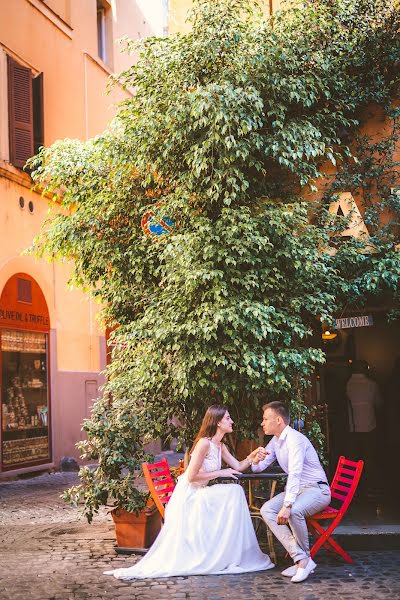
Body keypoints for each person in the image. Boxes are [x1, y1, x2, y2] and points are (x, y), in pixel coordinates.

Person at [104, 404, 274, 579]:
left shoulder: (220, 446)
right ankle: (228, 551)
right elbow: (191, 476)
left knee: (235, 492)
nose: (232, 421)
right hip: (190, 495)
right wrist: (221, 472)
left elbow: (238, 466)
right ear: (217, 422)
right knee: (234, 492)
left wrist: (251, 457)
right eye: (228, 418)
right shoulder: (204, 444)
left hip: (202, 492)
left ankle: (229, 551)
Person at [251, 401, 331, 583]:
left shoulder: (295, 440)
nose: (262, 423)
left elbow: (295, 473)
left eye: (265, 419)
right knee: (267, 509)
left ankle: (303, 562)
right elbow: (260, 468)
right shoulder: (276, 441)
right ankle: (301, 558)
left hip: (316, 490)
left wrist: (287, 505)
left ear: (278, 420)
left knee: (294, 511)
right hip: (298, 491)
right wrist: (256, 460)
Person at [346, 359, 382, 496]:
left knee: (354, 458)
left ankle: (355, 489)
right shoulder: (372, 385)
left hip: (352, 427)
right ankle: (370, 487)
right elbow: (379, 403)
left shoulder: (347, 385)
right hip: (369, 426)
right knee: (370, 457)